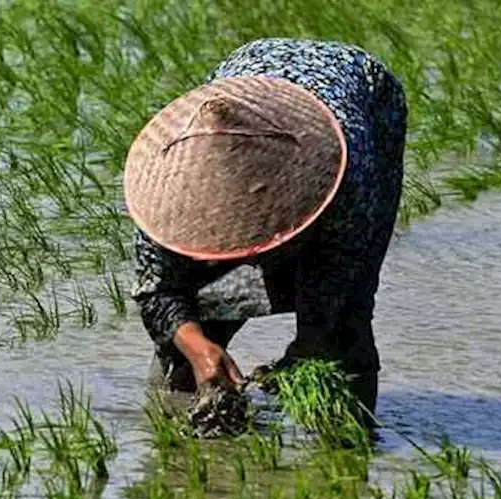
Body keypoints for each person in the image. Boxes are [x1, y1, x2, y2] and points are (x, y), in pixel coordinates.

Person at [123, 38, 407, 428]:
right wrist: (199, 349)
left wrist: (305, 348)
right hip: (248, 70)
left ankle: (353, 444)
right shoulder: (166, 188)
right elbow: (157, 289)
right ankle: (177, 448)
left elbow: (340, 272)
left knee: (346, 320)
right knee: (190, 333)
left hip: (361, 97)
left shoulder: (346, 178)